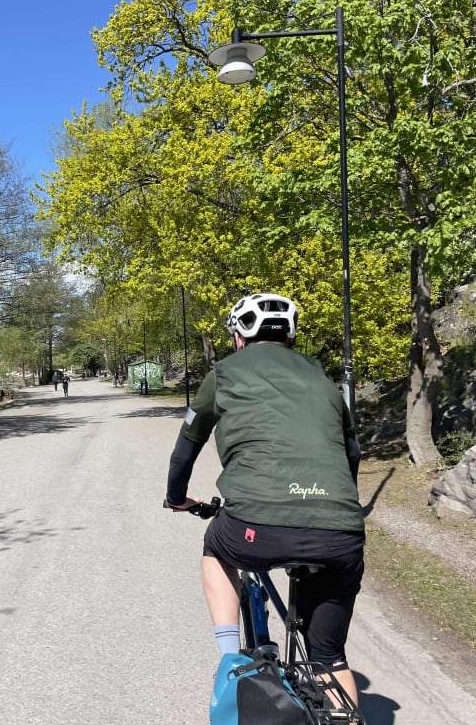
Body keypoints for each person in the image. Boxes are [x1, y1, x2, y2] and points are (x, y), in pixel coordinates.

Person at [164, 293, 364, 704]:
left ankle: (230, 661)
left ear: (239, 338)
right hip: (340, 531)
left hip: (255, 526)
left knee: (215, 549)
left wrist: (176, 497)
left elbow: (186, 447)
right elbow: (352, 455)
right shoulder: (324, 379)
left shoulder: (224, 372)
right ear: (291, 338)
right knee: (329, 656)